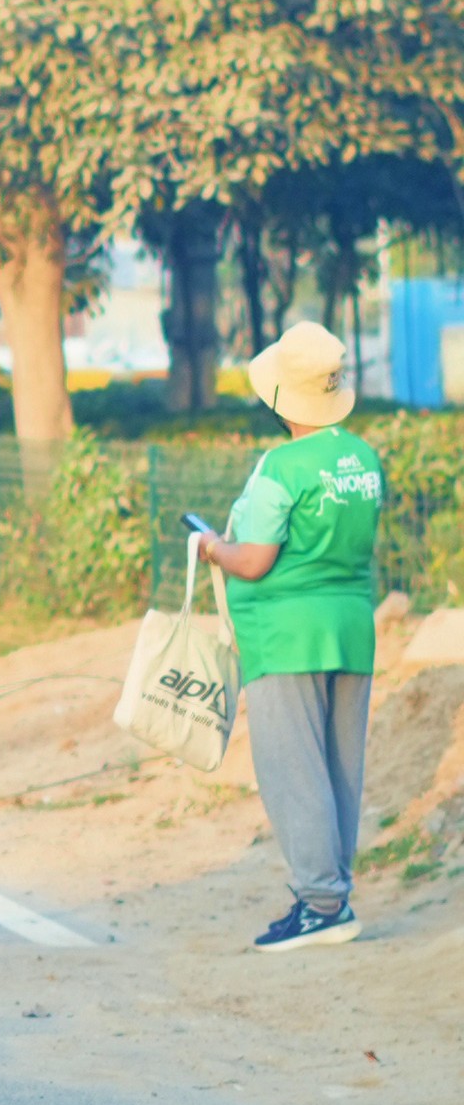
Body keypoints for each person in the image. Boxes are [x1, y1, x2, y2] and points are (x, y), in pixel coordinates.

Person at [192, 317, 383, 952]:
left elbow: (254, 560)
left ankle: (322, 905)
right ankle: (330, 895)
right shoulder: (363, 458)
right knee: (339, 769)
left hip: (285, 637)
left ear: (281, 395)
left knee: (295, 770)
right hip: (351, 630)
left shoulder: (280, 466)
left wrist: (212, 547)